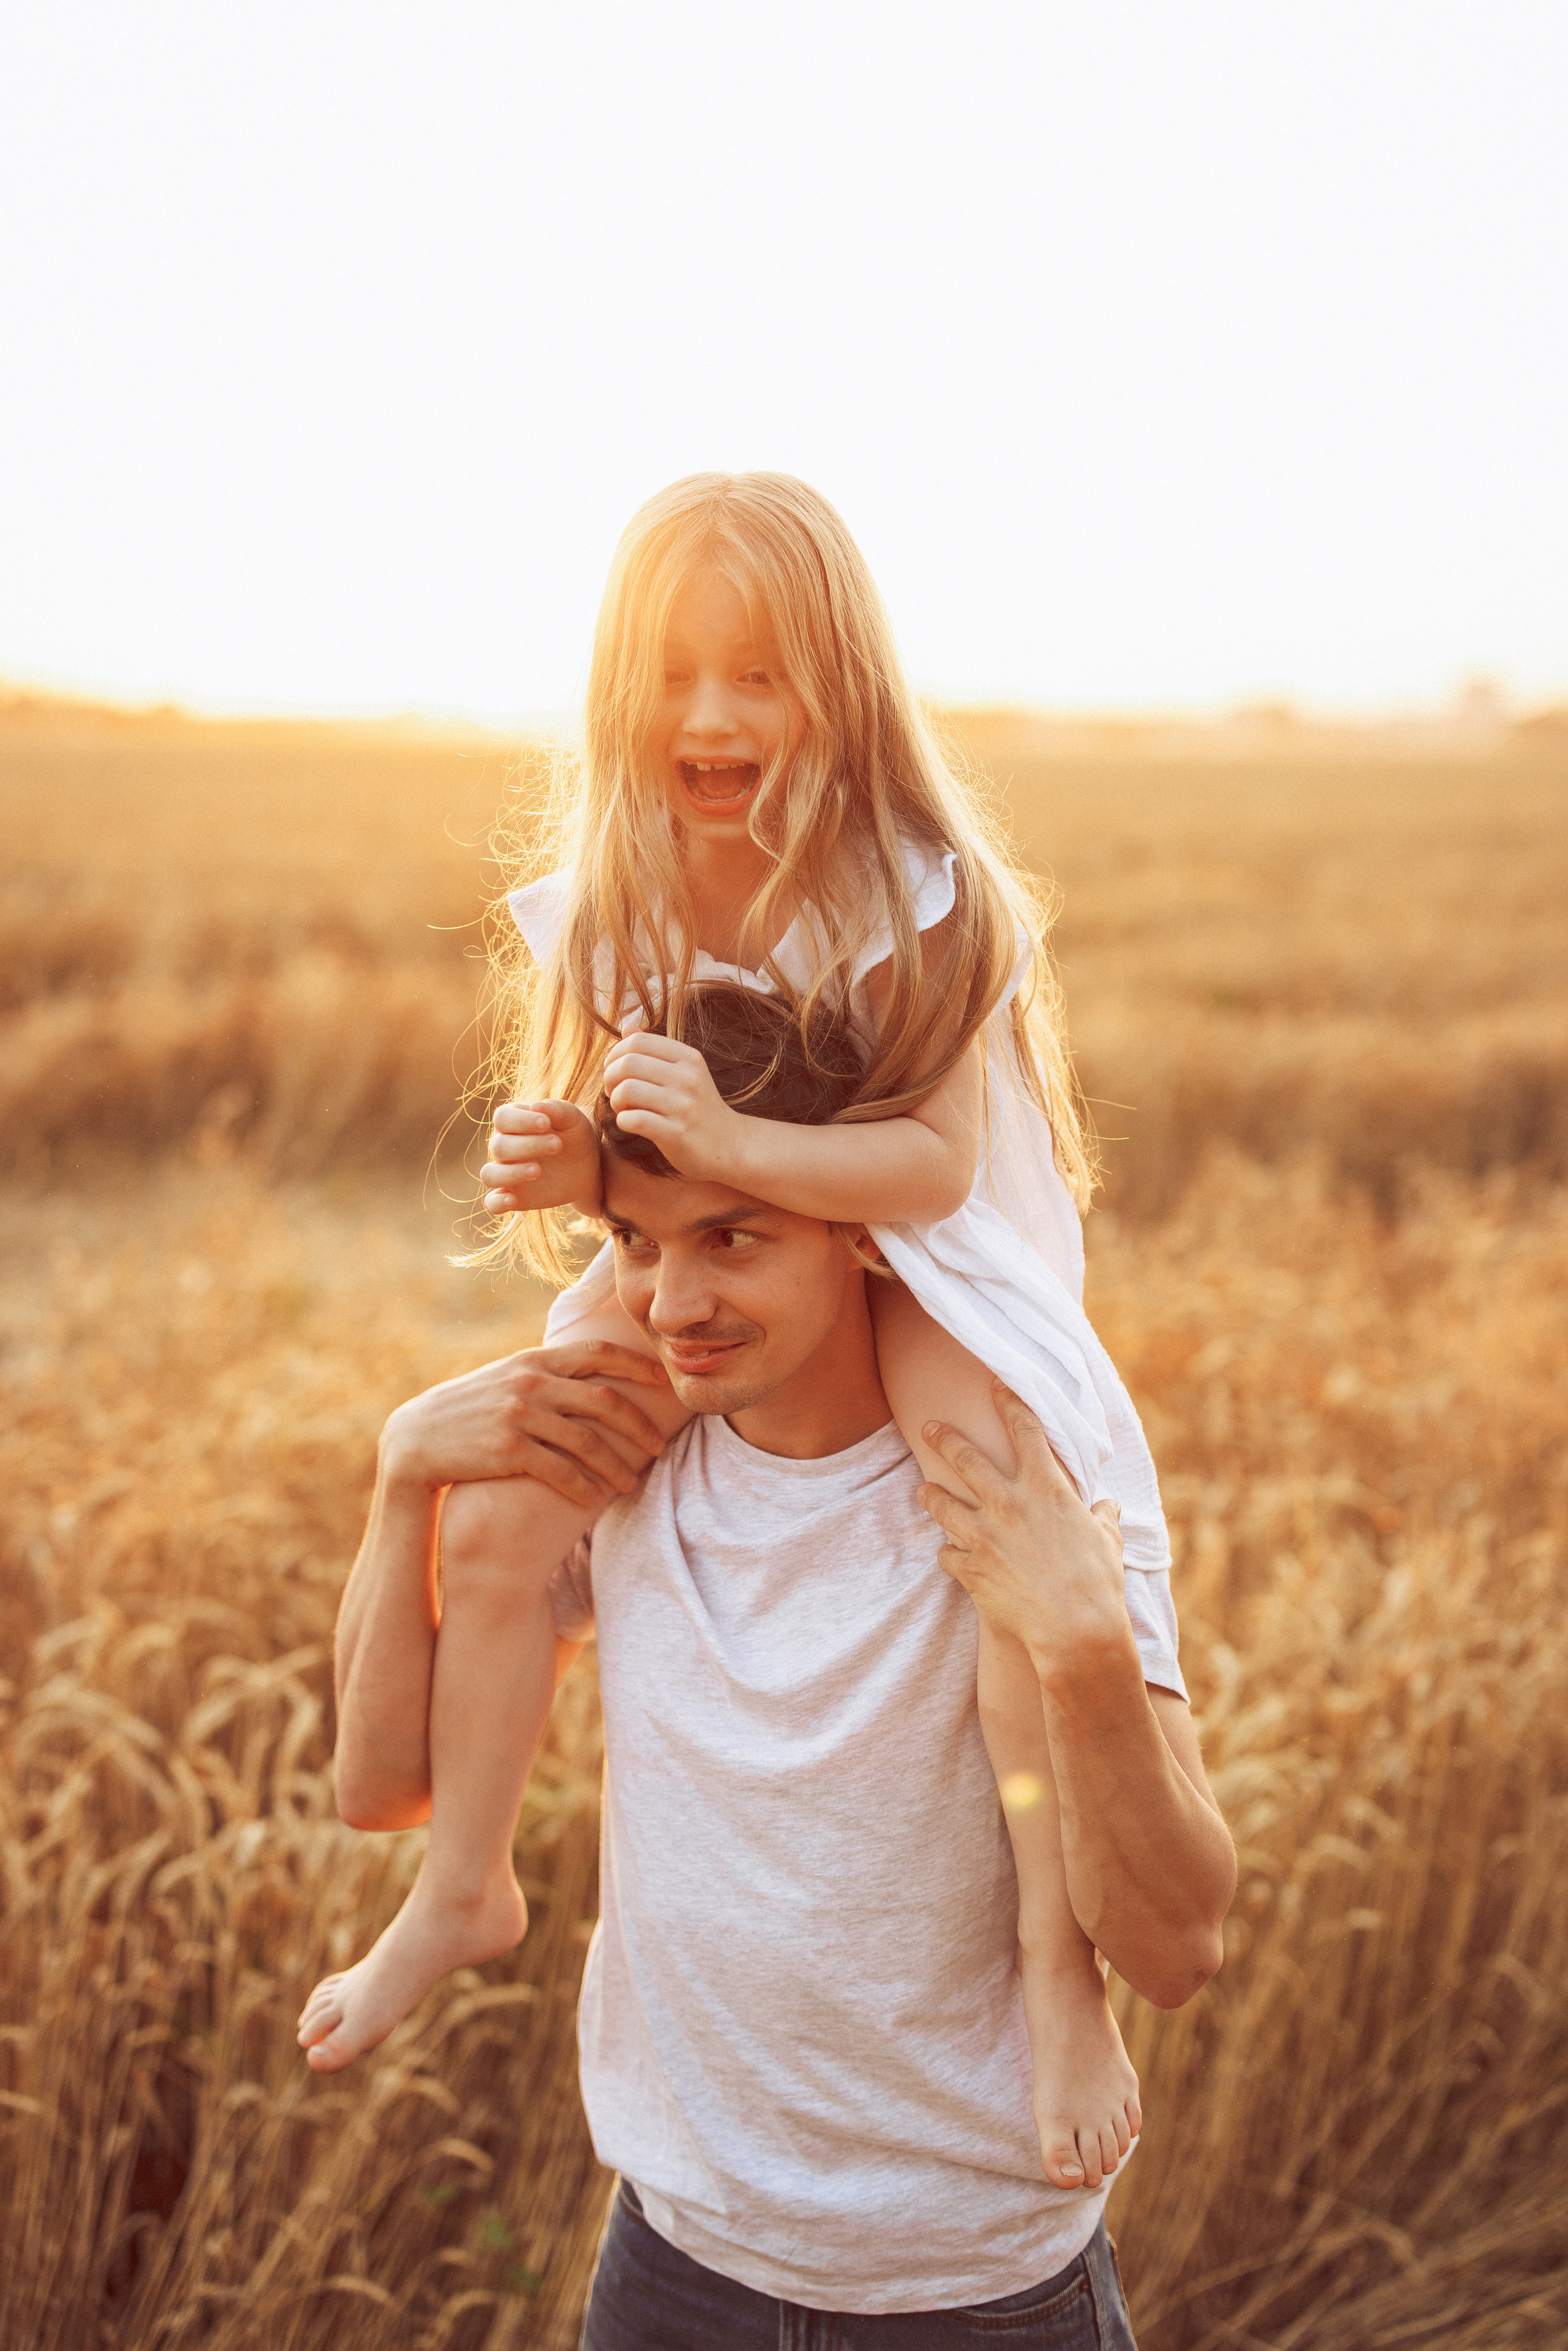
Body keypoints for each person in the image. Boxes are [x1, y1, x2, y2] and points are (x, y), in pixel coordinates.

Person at [300, 471, 1175, 2192]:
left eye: (761, 674)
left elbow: (928, 1165)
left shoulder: (918, 894)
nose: (712, 715)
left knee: (996, 1517)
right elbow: (620, 1160)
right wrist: (568, 1154)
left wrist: (727, 1144)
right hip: (711, 1249)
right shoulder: (609, 897)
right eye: (675, 674)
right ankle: (460, 1880)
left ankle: (1060, 1979)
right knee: (512, 1496)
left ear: (842, 687)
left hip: (929, 1266)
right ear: (619, 689)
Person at [315, 984, 1236, 2341]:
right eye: (631, 1239)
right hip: (673, 2267)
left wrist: (1089, 1648)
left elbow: (1174, 1946)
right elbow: (379, 1784)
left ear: (857, 1231)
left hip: (973, 2295)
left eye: (729, 1236)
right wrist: (404, 1483)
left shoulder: (1007, 1480)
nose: (671, 1301)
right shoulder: (627, 1456)